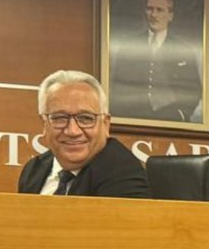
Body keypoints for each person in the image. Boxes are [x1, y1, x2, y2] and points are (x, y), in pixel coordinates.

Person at [15, 70, 150, 198]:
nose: (72, 131)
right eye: (60, 118)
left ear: (105, 124)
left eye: (86, 118)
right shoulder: (34, 170)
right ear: (44, 124)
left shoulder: (123, 174)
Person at [109, 0, 203, 123]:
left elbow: (194, 90)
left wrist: (181, 114)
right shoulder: (128, 45)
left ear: (170, 16)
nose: (153, 15)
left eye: (159, 10)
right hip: (133, 116)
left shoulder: (185, 50)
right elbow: (117, 86)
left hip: (170, 117)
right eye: (150, 9)